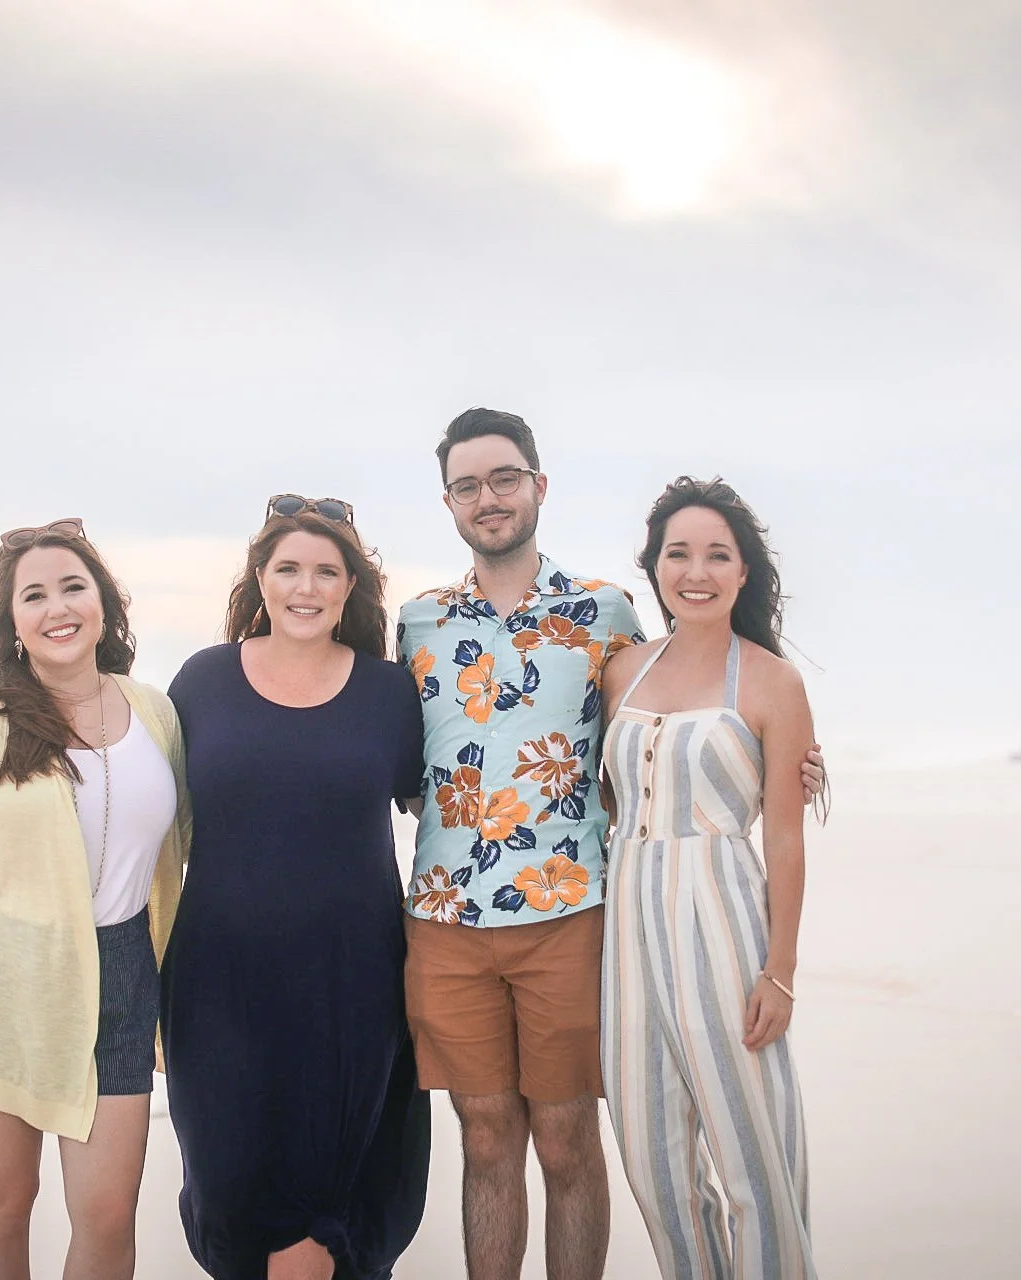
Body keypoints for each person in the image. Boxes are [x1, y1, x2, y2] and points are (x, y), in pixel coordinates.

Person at [396, 410, 827, 1280]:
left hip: (576, 908)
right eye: (469, 484)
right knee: (488, 1137)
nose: (490, 497)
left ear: (538, 486)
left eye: (505, 477)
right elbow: (388, 753)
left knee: (565, 1138)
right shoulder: (417, 623)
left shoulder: (604, 617)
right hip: (447, 913)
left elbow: (693, 719)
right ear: (447, 500)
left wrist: (791, 761)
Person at [0, 518, 191, 1280]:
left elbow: (187, 849)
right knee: (4, 1200)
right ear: (13, 623)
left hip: (128, 977)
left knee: (107, 1216)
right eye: (34, 595)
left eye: (73, 586)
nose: (57, 607)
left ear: (103, 602)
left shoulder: (156, 713)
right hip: (5, 981)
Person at [161, 495, 431, 1280]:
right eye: (289, 569)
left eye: (326, 571)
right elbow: (139, 806)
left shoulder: (389, 695)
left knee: (325, 1230)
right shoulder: (202, 683)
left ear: (351, 588)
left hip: (350, 994)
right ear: (260, 579)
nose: (305, 587)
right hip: (219, 995)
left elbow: (460, 800)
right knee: (234, 1207)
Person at [599, 477, 817, 1280]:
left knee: (752, 1156)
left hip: (722, 917)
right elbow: (601, 797)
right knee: (656, 1165)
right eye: (678, 553)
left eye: (716, 555)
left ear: (743, 572)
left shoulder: (771, 682)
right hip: (626, 925)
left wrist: (781, 972)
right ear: (653, 567)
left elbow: (787, 840)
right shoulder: (621, 672)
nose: (696, 570)